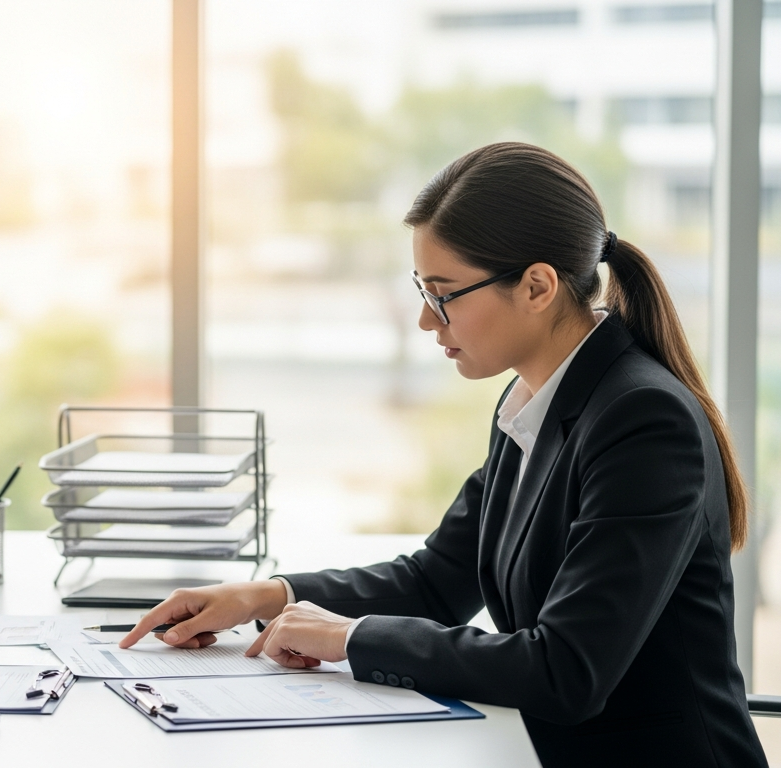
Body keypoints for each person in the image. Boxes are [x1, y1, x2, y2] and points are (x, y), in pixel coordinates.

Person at [121, 142, 766, 767]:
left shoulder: (642, 420)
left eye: (444, 293)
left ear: (537, 286)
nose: (428, 320)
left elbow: (567, 670)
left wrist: (349, 637)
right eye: (422, 290)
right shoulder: (534, 398)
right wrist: (265, 596)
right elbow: (435, 581)